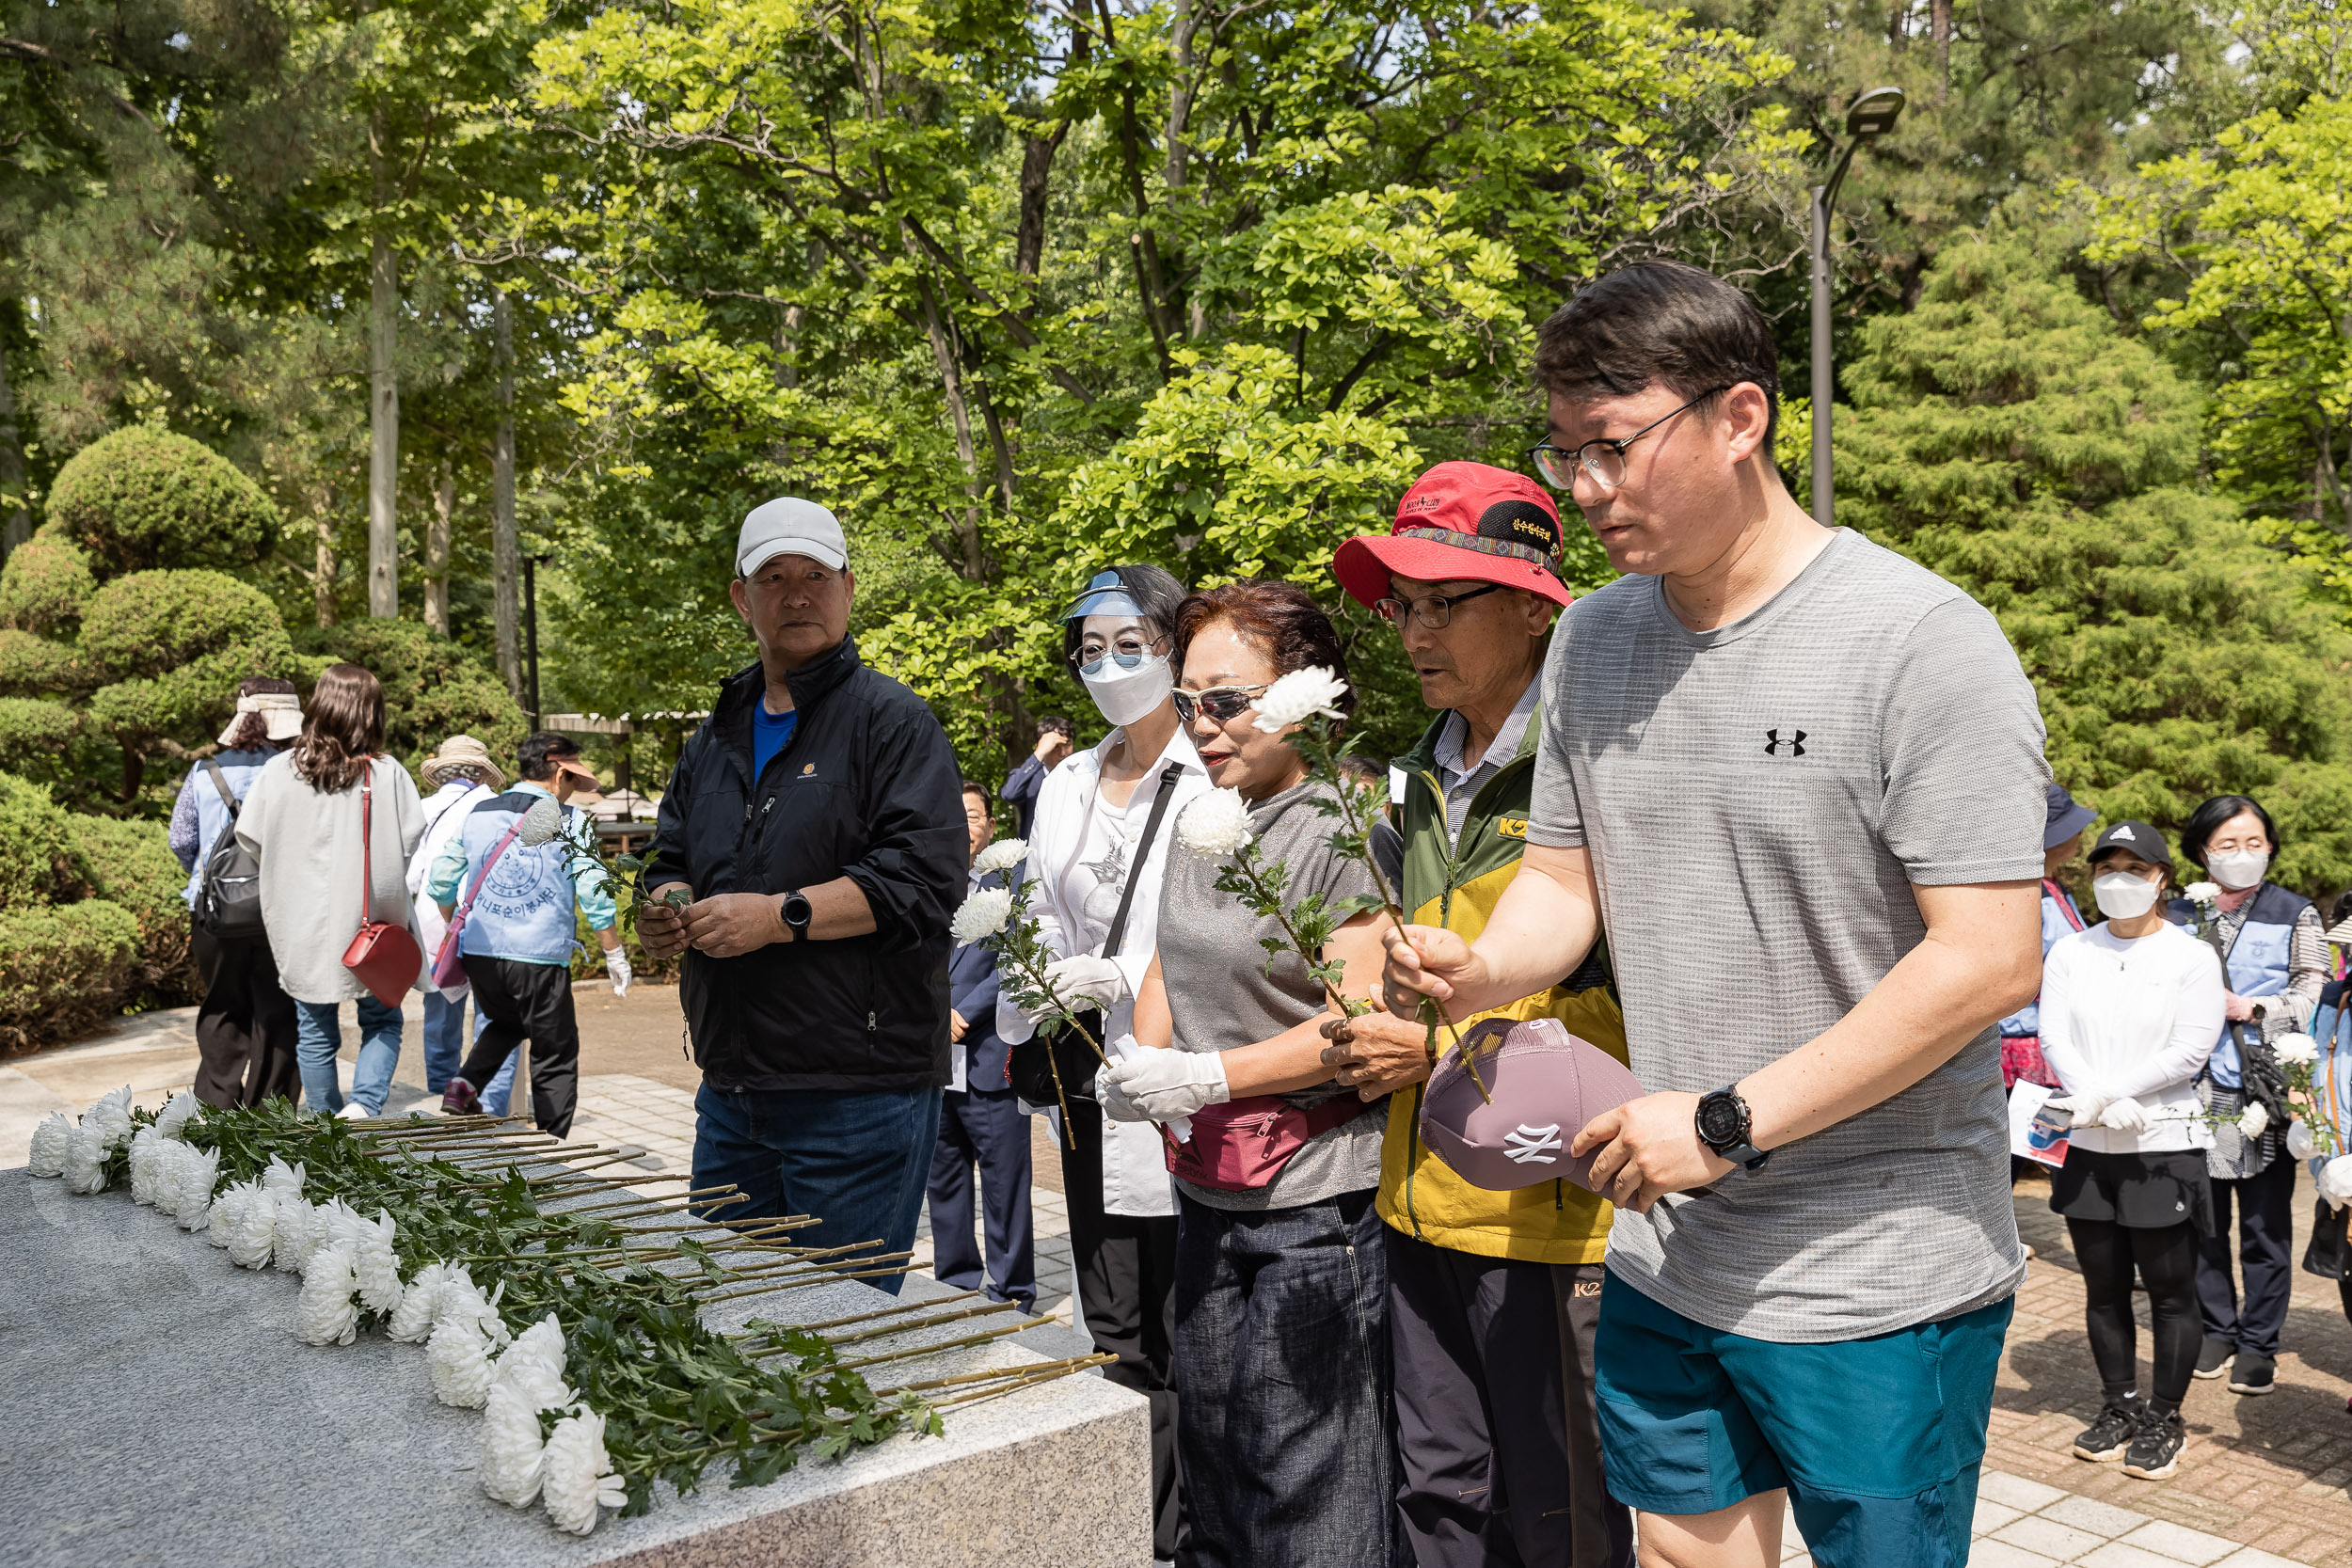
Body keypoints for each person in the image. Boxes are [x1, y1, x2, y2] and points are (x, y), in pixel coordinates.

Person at [1381, 261, 2048, 1568]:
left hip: (1881, 1265)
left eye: (1614, 448)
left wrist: (1727, 1120)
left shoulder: (1921, 640)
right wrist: (1476, 964)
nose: (1585, 490)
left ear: (1740, 417)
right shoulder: (1595, 641)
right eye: (1564, 451)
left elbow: (1988, 958)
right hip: (1666, 1245)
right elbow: (1565, 885)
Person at [1322, 461, 1633, 1568]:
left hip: (1554, 1210)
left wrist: (1444, 1044)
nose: (1412, 629)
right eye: (1400, 603)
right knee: (1437, 1498)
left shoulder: (1599, 754)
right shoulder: (1411, 774)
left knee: (1566, 1512)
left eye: (1441, 600)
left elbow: (1641, 987)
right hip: (1417, 1201)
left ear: (1534, 600)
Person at [1100, 579, 1400, 1568]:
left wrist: (1211, 1077)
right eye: (1189, 701)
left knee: (1308, 1487)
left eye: (1227, 699)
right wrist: (1142, 1063)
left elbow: (1353, 1022)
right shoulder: (1205, 816)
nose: (1204, 725)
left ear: (1304, 691)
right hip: (1207, 1192)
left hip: (1314, 1204)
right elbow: (1161, 959)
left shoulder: (1341, 830)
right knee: (1216, 1465)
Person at [638, 496, 965, 1290]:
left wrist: (780, 917)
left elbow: (926, 881)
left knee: (835, 1335)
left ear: (848, 588)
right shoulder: (715, 733)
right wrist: (666, 904)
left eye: (815, 575)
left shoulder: (893, 722)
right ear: (739, 596)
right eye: (773, 576)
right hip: (734, 1088)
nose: (795, 594)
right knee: (717, 1318)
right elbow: (668, 851)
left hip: (857, 1094)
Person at [994, 563, 1208, 1562]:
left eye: (1131, 644)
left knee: (1193, 1309)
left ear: (1174, 643)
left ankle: (1211, 1516)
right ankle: (1147, 1521)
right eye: (1090, 650)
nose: (1110, 666)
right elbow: (1037, 901)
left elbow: (1220, 925)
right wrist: (1033, 980)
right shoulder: (1069, 779)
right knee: (1114, 1307)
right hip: (1090, 1081)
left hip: (1193, 1080)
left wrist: (1116, 972)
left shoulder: (1215, 772)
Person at [2039, 820, 2221, 1482]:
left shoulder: (2190, 956)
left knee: (2171, 1290)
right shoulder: (2072, 952)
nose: (2119, 880)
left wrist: (2116, 1089)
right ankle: (2119, 1403)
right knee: (2104, 1287)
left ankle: (2165, 1415)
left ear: (2162, 878)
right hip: (2090, 1140)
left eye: (2135, 869)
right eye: (2107, 867)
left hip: (2160, 1140)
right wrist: (2089, 1097)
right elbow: (2054, 1033)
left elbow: (2192, 1046)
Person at [2169, 793, 2323, 1397]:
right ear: (2203, 852)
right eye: (2227, 844)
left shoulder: (2295, 913)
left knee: (2263, 1222)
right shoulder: (2179, 914)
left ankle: (2260, 1342)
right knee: (2203, 1220)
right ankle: (2217, 1328)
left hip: (2260, 1089)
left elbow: (2313, 988)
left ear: (2270, 847)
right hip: (2195, 1092)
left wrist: (2254, 1006)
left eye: (2253, 842)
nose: (2242, 854)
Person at [234, 663, 426, 1117]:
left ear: (319, 707)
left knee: (314, 1028)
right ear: (371, 714)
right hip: (372, 921)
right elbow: (411, 839)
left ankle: (325, 1120)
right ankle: (363, 1107)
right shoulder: (388, 772)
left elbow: (252, 838)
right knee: (382, 1018)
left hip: (301, 922)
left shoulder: (280, 770)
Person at [431, 733, 628, 1135]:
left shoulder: (479, 813)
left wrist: (457, 922)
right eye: (573, 781)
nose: (573, 791)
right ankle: (552, 1148)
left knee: (507, 1022)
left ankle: (462, 1087)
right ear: (559, 773)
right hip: (539, 955)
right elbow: (593, 890)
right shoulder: (569, 820)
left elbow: (439, 881)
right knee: (555, 1052)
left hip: (480, 953)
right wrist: (614, 954)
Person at [926, 782, 1035, 1312]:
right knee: (941, 1179)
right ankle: (955, 1282)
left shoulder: (1013, 887)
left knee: (1005, 1183)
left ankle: (1013, 1290)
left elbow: (1017, 962)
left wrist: (964, 1012)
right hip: (931, 1059)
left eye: (975, 815)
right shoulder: (921, 882)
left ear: (990, 827)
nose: (966, 825)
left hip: (990, 1055)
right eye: (957, 814)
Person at [168, 676, 304, 1107]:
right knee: (277, 1009)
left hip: (214, 912)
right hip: (280, 910)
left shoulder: (205, 771)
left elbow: (180, 840)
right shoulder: (297, 770)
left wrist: (209, 875)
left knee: (222, 1005)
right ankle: (269, 1109)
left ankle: (215, 1102)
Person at [407, 735, 513, 1109]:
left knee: (440, 1008)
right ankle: (489, 1097)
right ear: (482, 773)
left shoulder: (421, 808)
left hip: (437, 917)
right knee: (495, 1013)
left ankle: (441, 1089)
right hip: (491, 918)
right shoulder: (498, 807)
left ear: (440, 774)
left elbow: (413, 877)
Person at [1998, 783, 2098, 1095]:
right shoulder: (2025, 895)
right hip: (2024, 1045)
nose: (2080, 835)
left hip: (2054, 1038)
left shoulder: (2052, 886)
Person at [1001, 715, 1075, 838]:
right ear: (1040, 746)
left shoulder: (1081, 776)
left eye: (1067, 744)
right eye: (1055, 746)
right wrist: (1039, 754)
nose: (1063, 753)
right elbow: (1009, 793)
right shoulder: (1029, 779)